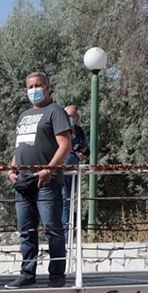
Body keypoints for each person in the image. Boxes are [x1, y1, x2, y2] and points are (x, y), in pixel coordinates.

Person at [8, 71, 73, 288]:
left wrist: (49, 170)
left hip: (46, 183)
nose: (34, 90)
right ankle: (27, 274)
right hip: (23, 182)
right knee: (26, 230)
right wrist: (11, 168)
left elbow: (65, 145)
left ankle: (56, 275)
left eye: (38, 85)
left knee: (52, 228)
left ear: (47, 87)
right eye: (30, 87)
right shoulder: (24, 115)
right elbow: (21, 145)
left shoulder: (56, 112)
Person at [60, 103, 88, 241]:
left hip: (73, 173)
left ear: (77, 118)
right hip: (59, 172)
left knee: (69, 202)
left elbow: (86, 151)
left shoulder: (81, 133)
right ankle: (63, 234)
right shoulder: (58, 131)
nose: (67, 118)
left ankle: (67, 233)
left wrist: (82, 153)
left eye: (70, 116)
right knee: (62, 202)